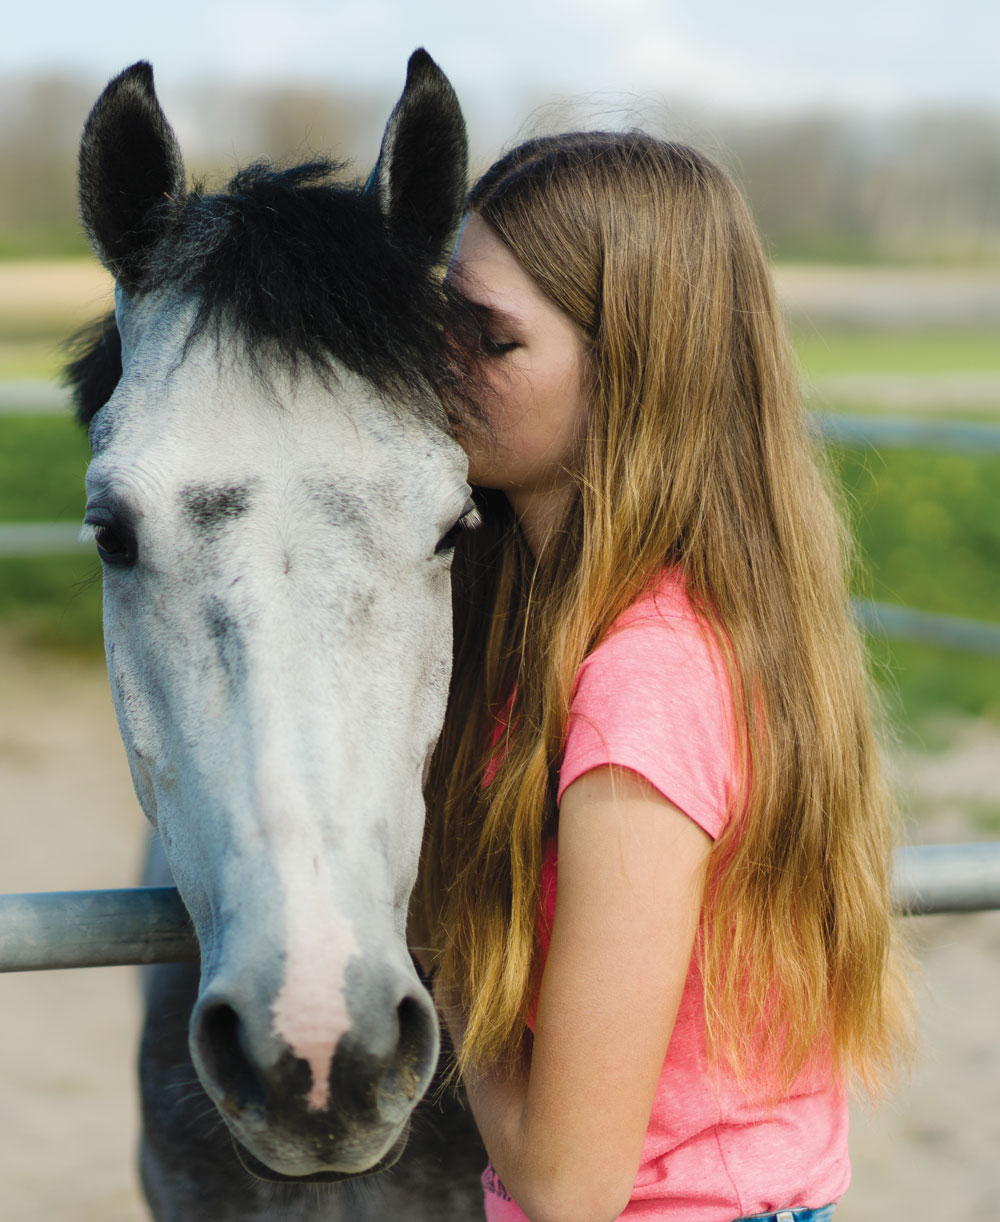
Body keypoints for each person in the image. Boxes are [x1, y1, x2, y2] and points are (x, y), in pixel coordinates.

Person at [411, 131, 913, 1222]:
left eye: (489, 337)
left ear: (631, 371)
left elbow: (569, 1183)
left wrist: (436, 940)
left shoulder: (644, 682)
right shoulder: (608, 623)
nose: (436, 361)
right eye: (441, 315)